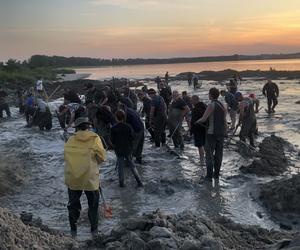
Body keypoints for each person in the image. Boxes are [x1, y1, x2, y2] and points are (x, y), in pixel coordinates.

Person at [64, 117, 106, 238]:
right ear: (88, 127)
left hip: (73, 178)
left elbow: (66, 157)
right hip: (90, 178)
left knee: (73, 205)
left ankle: (73, 231)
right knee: (93, 206)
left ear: (76, 128)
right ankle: (94, 231)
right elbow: (102, 157)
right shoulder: (95, 138)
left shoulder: (70, 140)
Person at [195, 87, 227, 181]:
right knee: (219, 155)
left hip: (211, 134)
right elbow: (224, 121)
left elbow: (204, 118)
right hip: (221, 133)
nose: (208, 95)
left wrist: (197, 121)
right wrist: (225, 132)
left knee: (209, 154)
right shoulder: (222, 105)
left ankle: (209, 177)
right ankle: (216, 175)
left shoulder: (211, 105)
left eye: (209, 94)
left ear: (211, 95)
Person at [111, 110, 143, 188]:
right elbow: (132, 138)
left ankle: (121, 184)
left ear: (116, 118)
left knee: (120, 167)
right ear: (124, 117)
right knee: (132, 166)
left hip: (118, 150)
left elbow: (112, 140)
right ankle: (139, 182)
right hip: (127, 149)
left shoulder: (113, 128)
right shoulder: (128, 127)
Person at [190, 95, 207, 165]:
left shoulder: (195, 109)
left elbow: (193, 120)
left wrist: (191, 131)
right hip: (206, 128)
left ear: (195, 100)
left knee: (200, 145)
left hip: (198, 129)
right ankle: (208, 158)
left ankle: (202, 161)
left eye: (192, 101)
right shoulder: (205, 106)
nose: (191, 102)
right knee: (205, 144)